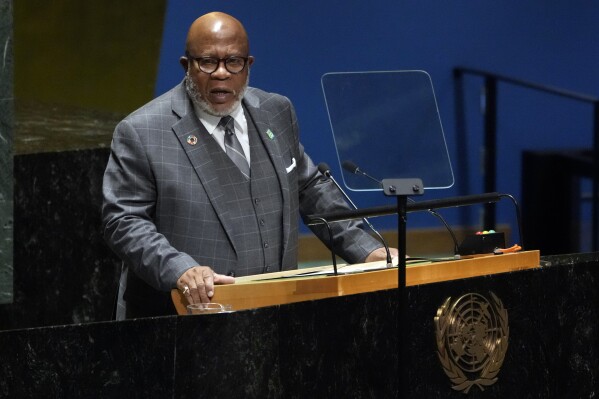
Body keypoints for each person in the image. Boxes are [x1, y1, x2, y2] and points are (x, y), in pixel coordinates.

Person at [102, 11, 396, 319]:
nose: (221, 73)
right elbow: (122, 221)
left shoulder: (275, 111)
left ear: (248, 65)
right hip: (183, 321)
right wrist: (180, 269)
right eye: (207, 62)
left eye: (233, 62)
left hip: (275, 312)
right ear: (186, 66)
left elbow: (309, 187)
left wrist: (367, 249)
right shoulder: (143, 130)